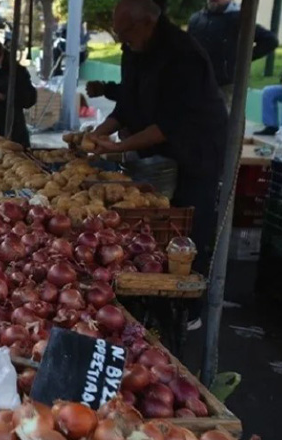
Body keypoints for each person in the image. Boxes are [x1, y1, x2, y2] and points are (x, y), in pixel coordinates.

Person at [87, 0, 227, 329]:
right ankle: (147, 294)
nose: (121, 39)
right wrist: (97, 135)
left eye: (126, 32)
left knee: (187, 224)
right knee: (150, 220)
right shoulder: (134, 48)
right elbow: (128, 105)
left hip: (197, 148)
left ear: (148, 22)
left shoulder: (183, 54)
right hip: (158, 148)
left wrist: (119, 146)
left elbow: (170, 123)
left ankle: (189, 308)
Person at [188, 0, 278, 108]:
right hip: (197, 83)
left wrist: (241, 59)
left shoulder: (238, 19)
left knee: (222, 121)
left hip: (224, 85)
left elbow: (270, 41)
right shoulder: (196, 19)